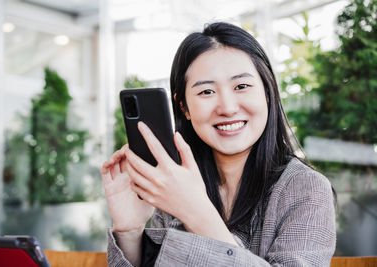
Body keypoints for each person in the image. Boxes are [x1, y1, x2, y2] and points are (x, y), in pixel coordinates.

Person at [101, 22, 336, 266]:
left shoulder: (306, 188)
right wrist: (129, 230)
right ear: (184, 108)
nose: (227, 107)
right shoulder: (173, 184)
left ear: (267, 92)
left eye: (241, 86)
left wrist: (195, 211)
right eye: (206, 92)